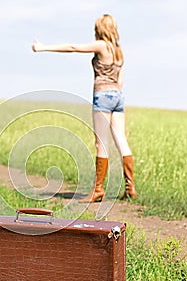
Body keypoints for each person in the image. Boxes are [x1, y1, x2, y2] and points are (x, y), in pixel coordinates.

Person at [32, 13, 137, 202]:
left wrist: (42, 48)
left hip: (103, 96)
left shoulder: (102, 45)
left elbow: (73, 47)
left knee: (101, 143)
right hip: (118, 97)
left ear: (100, 29)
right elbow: (120, 79)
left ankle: (98, 189)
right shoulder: (119, 50)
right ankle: (130, 188)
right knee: (121, 141)